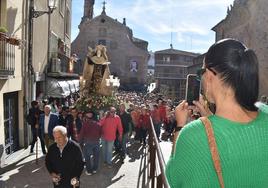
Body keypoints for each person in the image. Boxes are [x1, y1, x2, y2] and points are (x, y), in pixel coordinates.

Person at [165, 38, 268, 187]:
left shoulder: (192, 135)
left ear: (210, 75)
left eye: (202, 72)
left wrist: (180, 126)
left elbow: (174, 178)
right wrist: (210, 121)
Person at [78, 110, 101, 175]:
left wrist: (79, 141)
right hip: (96, 142)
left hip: (88, 142)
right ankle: (94, 169)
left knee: (87, 157)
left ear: (87, 117)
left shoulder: (85, 124)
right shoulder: (98, 124)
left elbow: (81, 134)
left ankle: (89, 171)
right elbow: (100, 133)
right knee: (96, 156)